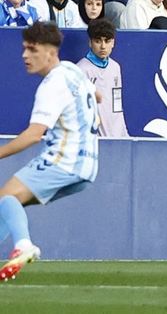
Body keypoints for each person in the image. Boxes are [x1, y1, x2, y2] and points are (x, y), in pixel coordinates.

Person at [0, 22, 99, 281]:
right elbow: (96, 94)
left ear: (50, 52)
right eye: (24, 49)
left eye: (32, 50)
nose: (24, 56)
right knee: (8, 205)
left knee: (5, 197)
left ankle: (23, 245)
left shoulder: (51, 85)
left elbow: (34, 135)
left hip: (63, 159)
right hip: (87, 167)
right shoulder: (71, 70)